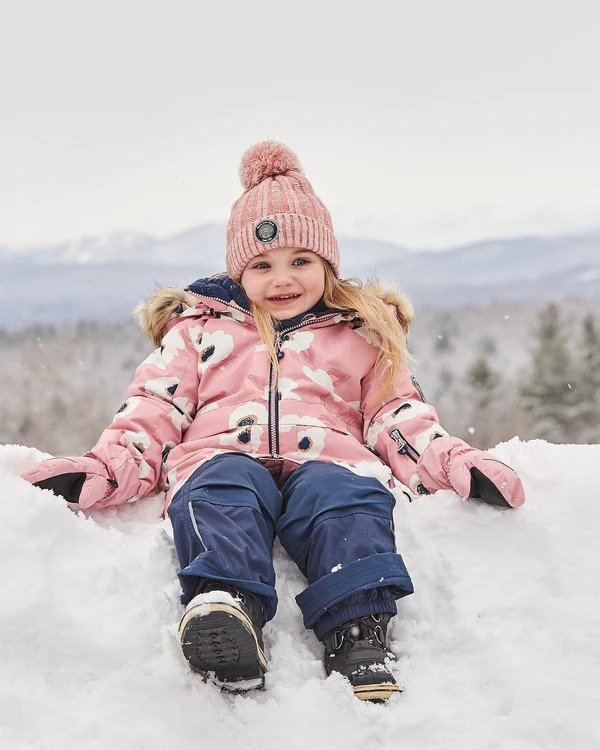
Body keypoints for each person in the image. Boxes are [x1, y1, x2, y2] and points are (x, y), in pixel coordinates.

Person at [21, 140, 526, 702]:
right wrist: (102, 469)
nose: (282, 279)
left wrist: (455, 464)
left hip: (328, 458)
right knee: (216, 489)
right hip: (223, 454)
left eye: (300, 262)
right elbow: (154, 410)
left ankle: (357, 627)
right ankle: (225, 608)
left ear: (327, 263)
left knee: (346, 497)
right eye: (262, 265)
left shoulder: (359, 331)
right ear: (239, 270)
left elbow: (395, 414)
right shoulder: (199, 331)